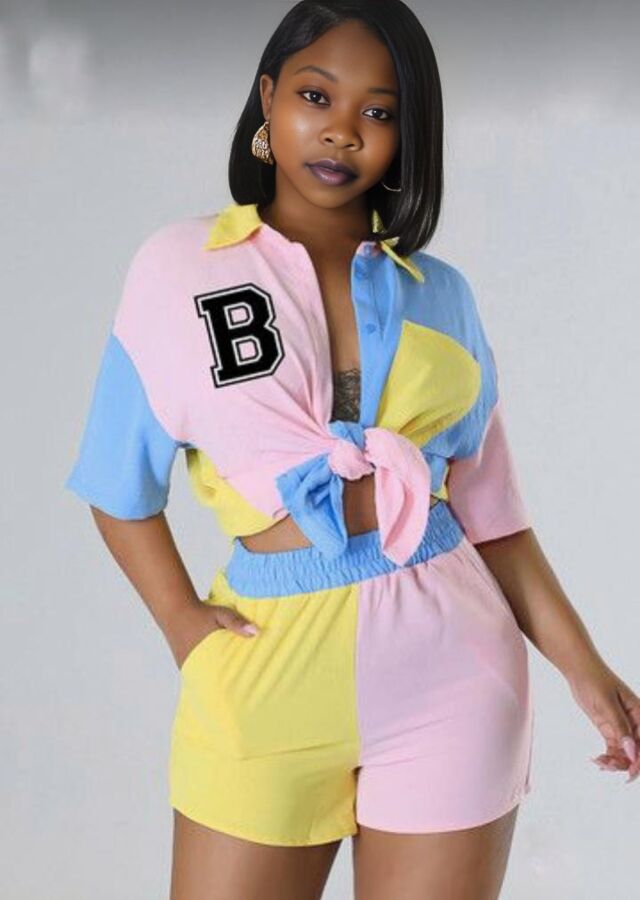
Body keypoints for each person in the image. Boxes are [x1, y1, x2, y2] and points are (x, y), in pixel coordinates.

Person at [64, 2, 640, 898]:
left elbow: (495, 519)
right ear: (267, 98)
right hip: (264, 661)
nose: (342, 130)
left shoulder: (442, 295)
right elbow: (117, 484)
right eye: (315, 96)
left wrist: (588, 671)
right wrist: (182, 623)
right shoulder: (180, 269)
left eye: (378, 111)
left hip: (452, 668)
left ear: (407, 137)